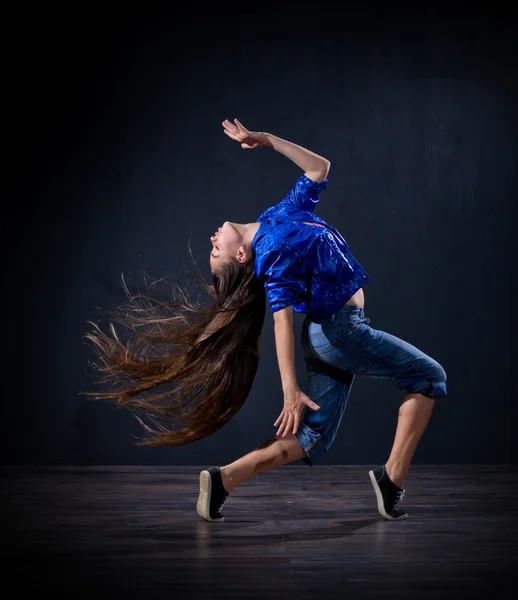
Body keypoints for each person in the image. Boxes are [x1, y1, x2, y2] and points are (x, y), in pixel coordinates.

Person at [84, 119, 447, 526]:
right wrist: (290, 390)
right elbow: (280, 322)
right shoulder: (272, 255)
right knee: (428, 377)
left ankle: (224, 479)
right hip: (341, 331)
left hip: (328, 334)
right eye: (215, 252)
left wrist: (269, 141)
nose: (211, 242)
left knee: (313, 437)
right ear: (241, 258)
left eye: (211, 249)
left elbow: (319, 169)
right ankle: (392, 479)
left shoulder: (276, 216)